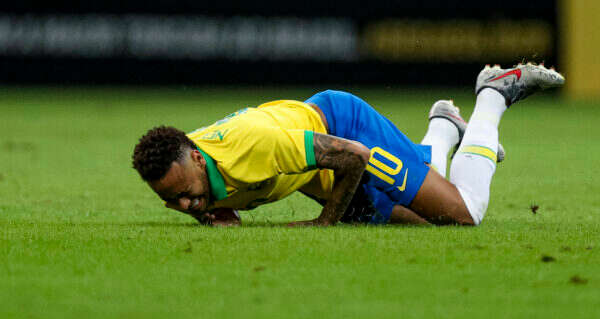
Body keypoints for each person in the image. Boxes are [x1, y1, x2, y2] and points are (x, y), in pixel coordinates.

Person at [132, 63, 564, 226]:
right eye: (171, 200)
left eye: (185, 193)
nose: (185, 205)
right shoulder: (186, 161)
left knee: (461, 212)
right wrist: (214, 212)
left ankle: (492, 96)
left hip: (345, 132)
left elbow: (355, 157)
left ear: (196, 158)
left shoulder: (253, 147)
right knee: (423, 216)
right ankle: (445, 127)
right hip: (314, 167)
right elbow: (211, 194)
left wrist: (326, 222)